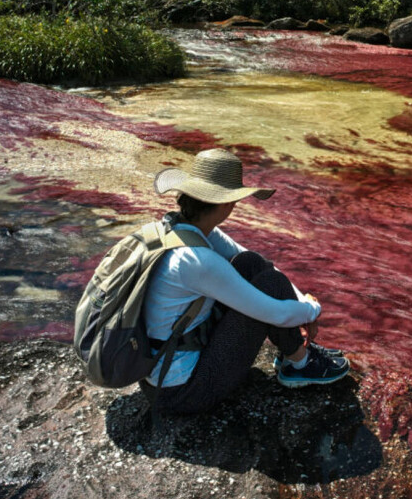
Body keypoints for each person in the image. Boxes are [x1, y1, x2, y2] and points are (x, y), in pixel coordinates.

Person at [139, 147, 349, 415]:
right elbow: (275, 312)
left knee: (250, 263)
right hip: (182, 392)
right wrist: (312, 310)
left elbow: (246, 258)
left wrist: (301, 299)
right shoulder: (198, 260)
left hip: (162, 371)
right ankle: (300, 363)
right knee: (270, 285)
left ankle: (294, 352)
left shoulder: (175, 230)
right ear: (228, 203)